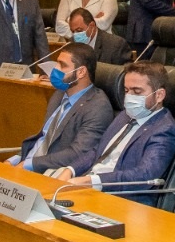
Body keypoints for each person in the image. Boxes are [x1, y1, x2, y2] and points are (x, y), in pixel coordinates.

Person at [50, 60, 175, 206]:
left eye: (137, 92)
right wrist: (70, 170)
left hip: (122, 201)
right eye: (126, 90)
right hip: (89, 188)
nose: (129, 97)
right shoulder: (125, 115)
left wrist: (93, 181)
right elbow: (98, 150)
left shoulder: (164, 129)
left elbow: (144, 175)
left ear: (160, 95)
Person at [6, 42, 114, 174]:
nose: (55, 69)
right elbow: (44, 138)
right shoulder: (59, 95)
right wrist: (15, 159)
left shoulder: (98, 106)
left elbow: (78, 153)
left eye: (62, 65)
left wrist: (29, 164)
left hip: (53, 173)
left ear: (81, 72)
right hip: (29, 166)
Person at [67, 7, 131, 65]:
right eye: (73, 31)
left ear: (92, 26)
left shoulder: (116, 45)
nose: (75, 35)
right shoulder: (71, 43)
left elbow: (123, 74)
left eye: (79, 30)